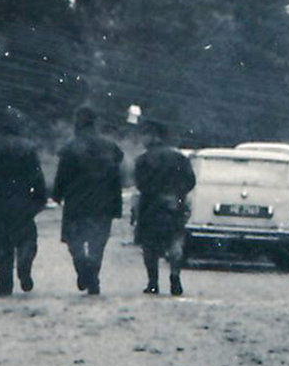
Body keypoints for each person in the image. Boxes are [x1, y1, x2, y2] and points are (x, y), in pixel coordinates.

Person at [0, 110, 48, 297]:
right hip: (24, 202)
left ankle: (4, 283)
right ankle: (25, 262)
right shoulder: (28, 147)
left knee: (1, 243)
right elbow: (37, 176)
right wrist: (40, 198)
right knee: (27, 238)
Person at [52, 105, 124, 295]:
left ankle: (81, 264)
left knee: (73, 240)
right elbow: (117, 176)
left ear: (77, 123)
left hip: (76, 203)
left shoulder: (70, 147)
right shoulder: (110, 147)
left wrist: (57, 195)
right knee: (97, 242)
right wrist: (116, 204)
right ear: (95, 123)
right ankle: (92, 275)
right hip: (103, 203)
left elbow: (61, 175)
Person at [131, 117, 197, 296]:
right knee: (175, 242)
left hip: (151, 207)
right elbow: (191, 181)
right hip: (175, 205)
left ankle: (153, 282)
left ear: (152, 136)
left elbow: (139, 184)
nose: (142, 139)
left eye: (144, 135)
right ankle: (175, 278)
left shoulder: (143, 160)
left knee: (149, 246)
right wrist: (178, 193)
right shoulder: (180, 158)